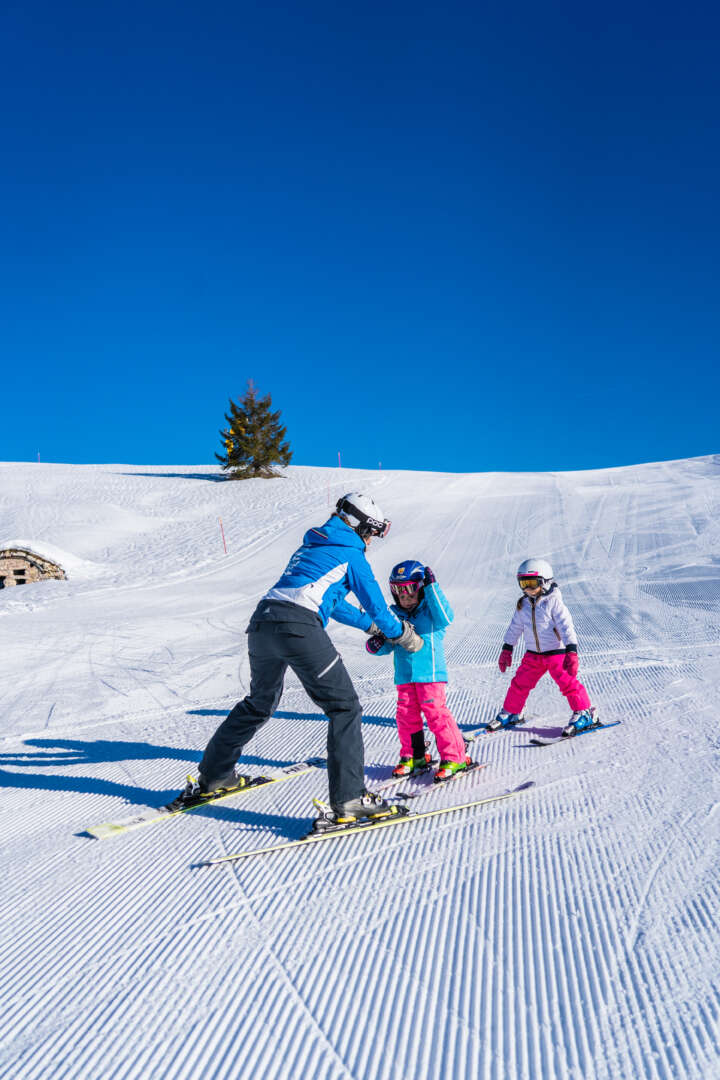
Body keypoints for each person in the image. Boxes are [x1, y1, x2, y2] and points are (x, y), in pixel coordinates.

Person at [173, 494, 424, 827]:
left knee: (258, 703)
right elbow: (378, 606)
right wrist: (402, 634)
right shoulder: (352, 555)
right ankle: (350, 799)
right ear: (360, 526)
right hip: (297, 626)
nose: (370, 541)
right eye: (371, 534)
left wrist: (371, 626)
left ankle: (214, 778)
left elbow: (331, 602)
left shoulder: (311, 547)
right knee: (344, 707)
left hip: (262, 622)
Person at [366, 560, 470, 781]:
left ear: (420, 590)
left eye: (410, 593)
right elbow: (388, 642)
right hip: (404, 676)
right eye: (400, 595)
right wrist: (376, 645)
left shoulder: (431, 613)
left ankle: (455, 757)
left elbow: (446, 616)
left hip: (430, 675)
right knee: (405, 716)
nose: (405, 599)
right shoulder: (395, 615)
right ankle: (414, 755)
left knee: (436, 714)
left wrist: (432, 587)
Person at [489, 558, 599, 737]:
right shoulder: (523, 604)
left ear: (545, 582)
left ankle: (585, 712)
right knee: (519, 683)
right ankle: (512, 711)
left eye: (532, 584)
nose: (527, 589)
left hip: (556, 653)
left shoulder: (554, 602)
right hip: (533, 655)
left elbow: (566, 626)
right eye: (523, 584)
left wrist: (571, 651)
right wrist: (507, 648)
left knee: (568, 683)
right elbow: (515, 627)